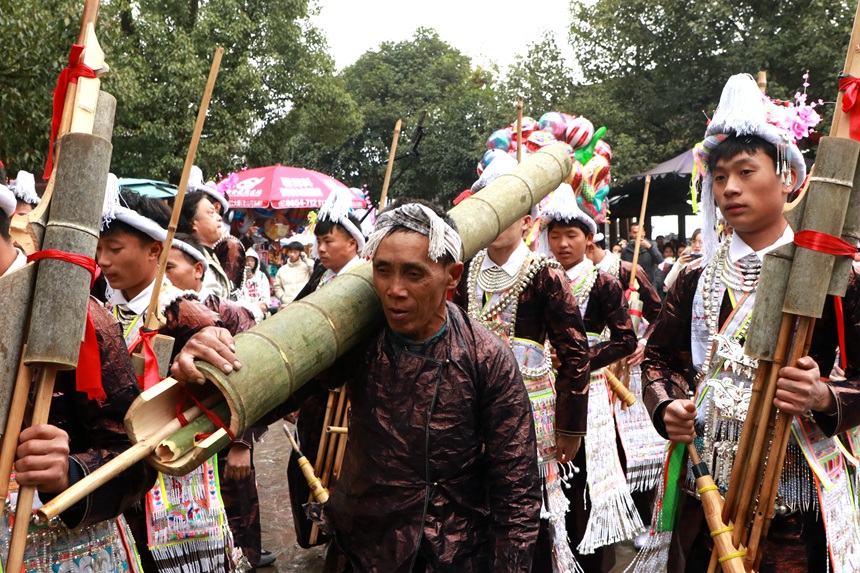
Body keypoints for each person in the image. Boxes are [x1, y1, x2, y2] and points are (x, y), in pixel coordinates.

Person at [173, 201, 542, 571]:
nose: (395, 290)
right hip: (361, 546)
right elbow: (271, 394)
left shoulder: (486, 357)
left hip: (453, 550)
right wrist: (208, 359)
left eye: (414, 274)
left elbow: (517, 491)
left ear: (452, 275)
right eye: (383, 271)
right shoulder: (357, 339)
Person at [637, 73, 860, 572]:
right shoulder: (692, 277)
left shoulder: (837, 276)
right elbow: (658, 359)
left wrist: (825, 397)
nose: (730, 188)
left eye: (744, 171)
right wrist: (667, 403)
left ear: (787, 176)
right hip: (708, 504)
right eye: (718, 177)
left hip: (797, 510)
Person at [0, 183, 156, 571]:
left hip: (58, 551)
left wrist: (69, 472)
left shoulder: (79, 318)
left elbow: (137, 456)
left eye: (114, 249)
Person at [98, 187, 244, 572]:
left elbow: (235, 378)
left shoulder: (185, 314)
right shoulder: (103, 308)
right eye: (100, 248)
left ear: (154, 251)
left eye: (114, 248)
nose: (103, 260)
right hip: (122, 475)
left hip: (172, 476)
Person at [453, 178, 591, 572]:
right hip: (474, 408)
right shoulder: (466, 271)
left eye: (508, 214)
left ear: (527, 221)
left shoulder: (546, 274)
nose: (497, 224)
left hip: (533, 411)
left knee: (527, 507)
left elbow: (575, 354)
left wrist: (570, 427)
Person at [537, 184, 638, 571]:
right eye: (555, 236)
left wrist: (578, 361)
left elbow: (625, 340)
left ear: (588, 238)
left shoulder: (602, 283)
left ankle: (590, 559)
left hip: (591, 391)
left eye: (572, 235)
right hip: (546, 391)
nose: (563, 244)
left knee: (584, 480)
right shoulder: (539, 279)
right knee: (550, 475)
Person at [165, 234, 272, 571]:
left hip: (227, 439)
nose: (161, 275)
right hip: (181, 441)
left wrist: (242, 443)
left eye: (169, 266)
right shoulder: (158, 315)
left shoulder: (229, 312)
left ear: (198, 269)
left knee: (237, 516)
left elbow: (258, 377)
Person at [178, 165, 234, 299]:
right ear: (193, 223)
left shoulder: (211, 254)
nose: (219, 217)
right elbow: (212, 305)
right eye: (211, 212)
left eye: (217, 212)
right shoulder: (190, 260)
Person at [621, 222, 664, 287]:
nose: (637, 235)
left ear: (644, 233)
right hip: (632, 285)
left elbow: (659, 260)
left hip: (649, 284)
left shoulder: (651, 245)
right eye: (634, 233)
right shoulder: (626, 250)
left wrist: (649, 247)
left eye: (640, 232)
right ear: (630, 234)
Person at [273, 240, 314, 306]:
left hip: (304, 303)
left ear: (300, 253)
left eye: (295, 252)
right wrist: (282, 297)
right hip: (287, 304)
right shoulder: (282, 270)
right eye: (291, 252)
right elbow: (276, 286)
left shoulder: (306, 266)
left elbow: (314, 273)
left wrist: (305, 259)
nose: (292, 254)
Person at [242, 247, 271, 316]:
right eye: (247, 261)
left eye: (252, 261)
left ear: (256, 262)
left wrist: (264, 303)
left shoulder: (261, 276)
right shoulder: (240, 276)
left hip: (260, 308)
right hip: (246, 308)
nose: (249, 263)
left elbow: (266, 291)